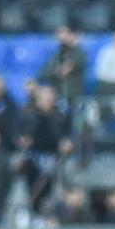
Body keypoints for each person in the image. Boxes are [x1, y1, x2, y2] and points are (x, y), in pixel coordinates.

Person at [17, 85, 71, 214]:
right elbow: (18, 134)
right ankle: (28, 208)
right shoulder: (28, 114)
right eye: (44, 98)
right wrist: (22, 141)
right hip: (32, 156)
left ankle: (50, 211)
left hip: (55, 157)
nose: (47, 100)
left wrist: (67, 144)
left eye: (50, 97)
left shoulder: (61, 116)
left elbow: (67, 136)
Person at [38, 25, 86, 105]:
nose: (61, 36)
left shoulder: (79, 53)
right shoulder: (55, 54)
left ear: (71, 35)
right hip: (56, 97)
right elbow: (43, 73)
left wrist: (55, 71)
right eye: (58, 33)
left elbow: (64, 71)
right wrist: (55, 71)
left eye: (64, 33)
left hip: (73, 98)